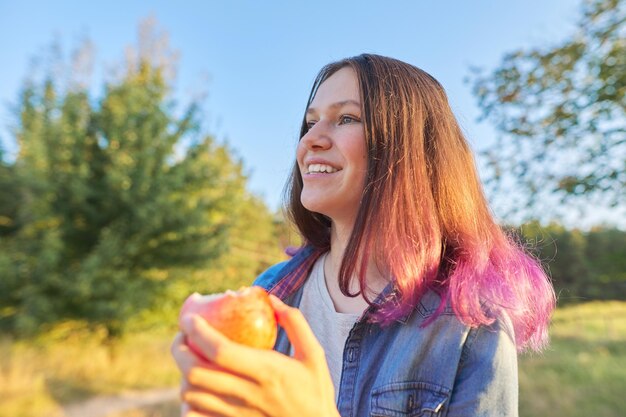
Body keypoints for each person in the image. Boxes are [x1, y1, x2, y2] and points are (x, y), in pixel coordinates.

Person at [171, 54, 556, 417]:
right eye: (310, 122)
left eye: (346, 119)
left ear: (411, 149)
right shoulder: (270, 294)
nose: (310, 141)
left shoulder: (471, 320)